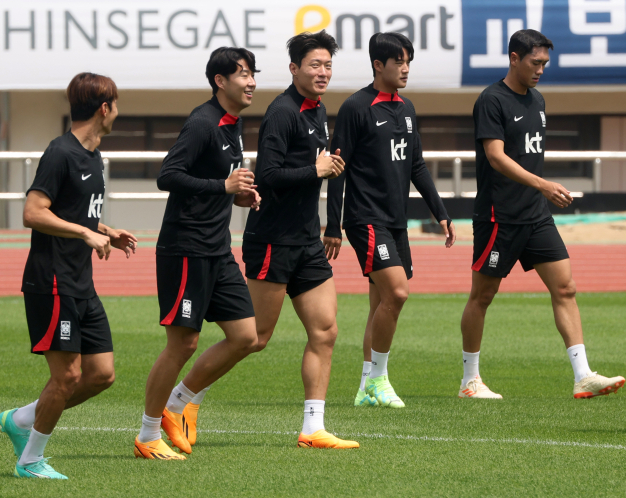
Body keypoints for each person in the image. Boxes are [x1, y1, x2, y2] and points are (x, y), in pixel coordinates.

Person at [459, 29, 624, 399]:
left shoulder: (538, 100)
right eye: (535, 63)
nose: (540, 70)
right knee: (482, 296)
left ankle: (583, 375)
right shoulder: (491, 100)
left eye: (545, 64)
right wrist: (544, 185)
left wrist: (540, 192)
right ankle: (470, 380)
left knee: (566, 287)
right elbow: (496, 157)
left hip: (535, 216)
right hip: (499, 216)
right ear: (514, 58)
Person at [0, 72, 138, 479]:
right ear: (104, 108)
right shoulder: (60, 153)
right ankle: (30, 461)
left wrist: (106, 230)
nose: (117, 113)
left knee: (101, 375)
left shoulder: (93, 156)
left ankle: (21, 419)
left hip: (80, 281)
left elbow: (75, 210)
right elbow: (33, 212)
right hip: (52, 281)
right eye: (116, 105)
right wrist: (85, 233)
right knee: (68, 375)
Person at [134, 47, 262, 460]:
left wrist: (238, 196)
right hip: (185, 248)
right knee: (183, 344)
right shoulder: (203, 122)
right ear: (219, 81)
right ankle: (147, 435)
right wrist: (222, 188)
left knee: (246, 337)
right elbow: (168, 176)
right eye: (242, 74)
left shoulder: (232, 125)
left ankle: (178, 404)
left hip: (217, 248)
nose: (252, 81)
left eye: (253, 73)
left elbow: (216, 181)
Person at [324, 32, 456, 408]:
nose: (406, 69)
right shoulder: (355, 107)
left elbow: (416, 165)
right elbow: (337, 170)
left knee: (381, 301)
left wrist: (439, 211)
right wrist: (333, 225)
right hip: (365, 218)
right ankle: (379, 380)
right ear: (378, 65)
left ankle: (366, 387)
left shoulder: (407, 108)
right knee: (397, 293)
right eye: (399, 62)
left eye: (408, 61)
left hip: (396, 221)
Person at [241, 31, 358, 449]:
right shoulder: (282, 113)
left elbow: (321, 169)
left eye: (327, 65)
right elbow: (268, 176)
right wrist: (317, 171)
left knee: (325, 331)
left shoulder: (317, 110)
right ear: (294, 69)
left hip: (307, 242)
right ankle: (183, 399)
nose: (323, 72)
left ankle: (313, 427)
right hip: (273, 239)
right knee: (253, 339)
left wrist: (330, 223)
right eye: (314, 65)